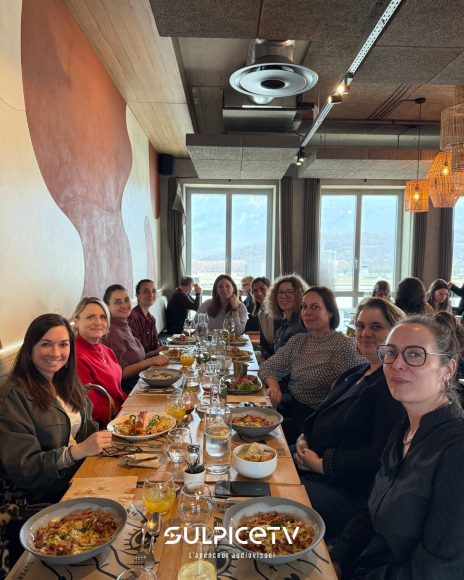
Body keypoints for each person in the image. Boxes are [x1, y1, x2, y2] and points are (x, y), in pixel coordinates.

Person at [331, 314, 464, 580]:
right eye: (390, 353)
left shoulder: (456, 452)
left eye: (414, 355)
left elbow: (437, 569)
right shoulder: (403, 429)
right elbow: (371, 511)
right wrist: (337, 559)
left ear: (447, 369)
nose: (397, 364)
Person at [0, 315, 112, 574]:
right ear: (30, 348)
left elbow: (87, 428)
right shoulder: (13, 396)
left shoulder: (64, 381)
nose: (56, 353)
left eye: (63, 344)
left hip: (76, 477)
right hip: (38, 496)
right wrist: (77, 452)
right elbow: (26, 469)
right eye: (46, 344)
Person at [294, 298, 405, 538]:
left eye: (376, 327)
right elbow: (323, 415)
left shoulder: (392, 386)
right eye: (360, 326)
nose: (365, 333)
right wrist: (304, 438)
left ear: (395, 333)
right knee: (262, 460)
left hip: (346, 490)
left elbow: (378, 456)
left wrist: (321, 465)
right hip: (315, 463)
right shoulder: (357, 373)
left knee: (273, 496)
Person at [259, 286, 365, 443]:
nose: (307, 312)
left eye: (315, 307)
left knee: (256, 436)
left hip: (312, 420)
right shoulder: (299, 341)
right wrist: (274, 386)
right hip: (287, 407)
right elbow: (267, 367)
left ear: (330, 312)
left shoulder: (344, 345)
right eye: (304, 307)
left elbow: (364, 382)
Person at [102, 284, 169, 391]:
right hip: (130, 390)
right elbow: (120, 374)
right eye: (118, 302)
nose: (124, 305)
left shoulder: (124, 325)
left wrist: (156, 352)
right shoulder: (111, 333)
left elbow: (137, 358)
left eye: (126, 300)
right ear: (107, 306)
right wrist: (151, 361)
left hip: (144, 380)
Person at [72, 297, 126, 426]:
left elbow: (117, 390)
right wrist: (125, 415)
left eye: (103, 317)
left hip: (121, 413)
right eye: (90, 317)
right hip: (105, 425)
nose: (98, 322)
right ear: (76, 321)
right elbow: (92, 409)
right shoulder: (76, 357)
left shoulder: (107, 350)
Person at [266, 274, 308, 353]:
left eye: (290, 292)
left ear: (299, 295)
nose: (284, 296)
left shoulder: (302, 325)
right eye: (280, 292)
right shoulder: (285, 323)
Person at [128, 279, 165, 353]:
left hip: (154, 359)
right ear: (137, 295)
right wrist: (157, 351)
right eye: (146, 291)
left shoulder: (152, 319)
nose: (151, 294)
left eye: (153, 291)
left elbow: (155, 346)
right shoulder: (132, 318)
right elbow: (136, 354)